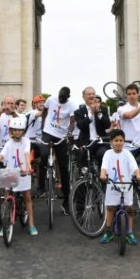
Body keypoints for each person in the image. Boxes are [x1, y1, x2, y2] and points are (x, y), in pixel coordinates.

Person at [0, 117, 38, 236]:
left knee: (27, 197)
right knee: (7, 197)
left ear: (23, 131)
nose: (17, 132)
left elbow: (26, 152)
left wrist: (28, 166)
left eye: (20, 130)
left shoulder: (26, 141)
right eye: (15, 130)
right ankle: (6, 224)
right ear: (11, 131)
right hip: (11, 172)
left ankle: (31, 224)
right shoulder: (9, 143)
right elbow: (1, 155)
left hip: (24, 171)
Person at [100, 129, 140, 245]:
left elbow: (134, 166)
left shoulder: (127, 154)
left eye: (121, 140)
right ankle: (108, 231)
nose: (119, 143)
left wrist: (138, 174)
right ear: (111, 142)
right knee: (111, 208)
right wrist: (103, 174)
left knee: (129, 208)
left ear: (124, 141)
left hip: (126, 185)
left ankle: (129, 232)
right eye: (116, 140)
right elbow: (104, 165)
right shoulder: (108, 153)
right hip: (113, 185)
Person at [39, 87, 77, 215]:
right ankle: (41, 186)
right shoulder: (51, 99)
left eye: (63, 98)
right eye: (59, 97)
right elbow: (44, 110)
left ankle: (66, 200)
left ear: (68, 97)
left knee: (63, 167)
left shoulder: (72, 105)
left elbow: (72, 121)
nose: (60, 99)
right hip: (48, 132)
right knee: (43, 155)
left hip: (61, 135)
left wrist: (70, 132)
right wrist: (43, 125)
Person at [74, 86, 111, 165]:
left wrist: (98, 113)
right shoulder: (79, 111)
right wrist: (91, 113)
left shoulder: (103, 109)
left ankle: (103, 175)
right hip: (86, 142)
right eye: (88, 94)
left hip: (100, 141)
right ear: (83, 97)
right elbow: (81, 126)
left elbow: (107, 125)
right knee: (83, 161)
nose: (91, 96)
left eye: (93, 94)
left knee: (103, 154)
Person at [25, 95, 45, 194]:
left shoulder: (44, 116)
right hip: (30, 141)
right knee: (27, 162)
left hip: (40, 142)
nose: (42, 104)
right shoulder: (32, 112)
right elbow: (39, 114)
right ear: (35, 104)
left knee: (43, 162)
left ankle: (41, 185)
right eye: (39, 102)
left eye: (43, 102)